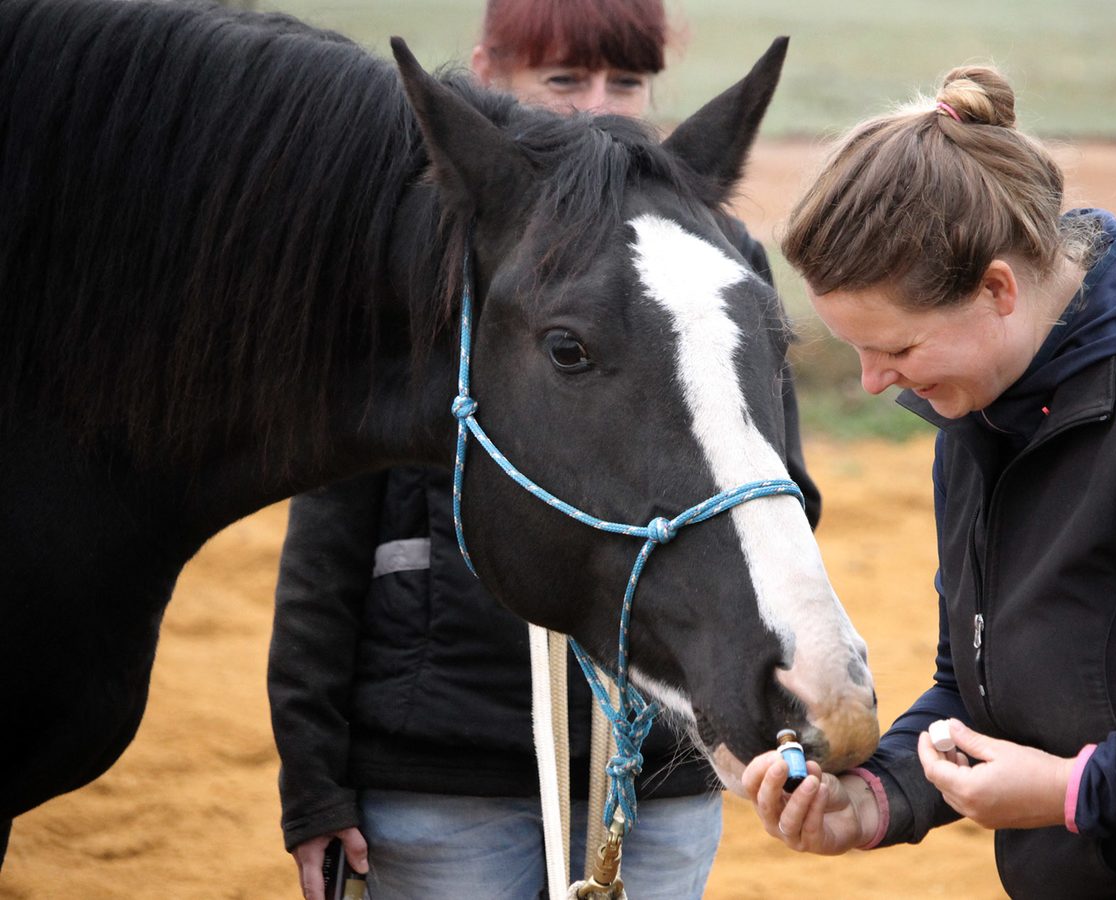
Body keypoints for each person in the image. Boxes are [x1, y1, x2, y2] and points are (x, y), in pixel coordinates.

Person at [267, 2, 821, 898]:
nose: (596, 104)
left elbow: (779, 502)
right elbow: (326, 548)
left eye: (625, 82)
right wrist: (315, 778)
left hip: (657, 778)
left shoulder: (711, 263)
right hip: (443, 774)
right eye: (562, 79)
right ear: (488, 74)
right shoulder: (420, 260)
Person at [741, 65, 1116, 899]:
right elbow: (979, 685)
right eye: (858, 352)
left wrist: (1074, 791)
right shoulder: (982, 408)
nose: (874, 383)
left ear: (998, 288)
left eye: (897, 350)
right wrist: (875, 799)